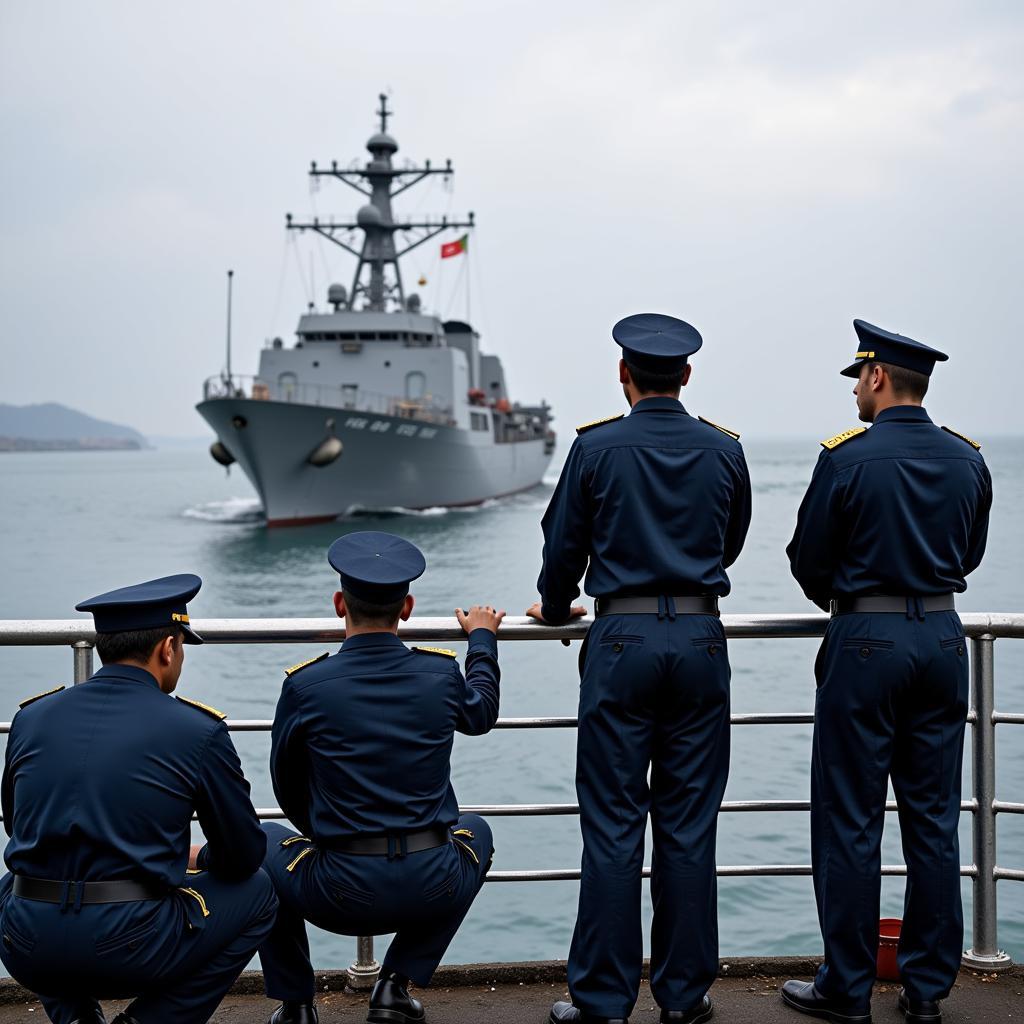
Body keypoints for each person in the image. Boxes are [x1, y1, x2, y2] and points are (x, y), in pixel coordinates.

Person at [529, 313, 752, 1024]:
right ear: (686, 375)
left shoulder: (595, 447)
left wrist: (558, 605)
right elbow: (733, 538)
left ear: (622, 375)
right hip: (699, 639)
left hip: (620, 640)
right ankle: (685, 999)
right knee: (689, 827)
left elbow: (562, 545)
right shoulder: (724, 450)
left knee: (614, 825)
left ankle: (602, 1000)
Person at [782, 320, 993, 1024]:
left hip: (864, 641)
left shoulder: (846, 459)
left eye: (857, 381)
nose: (855, 395)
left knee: (850, 822)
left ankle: (846, 990)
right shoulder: (968, 459)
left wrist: (854, 605)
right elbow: (969, 555)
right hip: (941, 637)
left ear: (877, 379)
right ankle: (927, 991)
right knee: (934, 822)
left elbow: (808, 558)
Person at [0, 574, 276, 1024]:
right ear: (167, 648)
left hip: (27, 945)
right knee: (260, 893)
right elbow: (244, 856)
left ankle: (75, 1018)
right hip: (129, 946)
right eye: (182, 647)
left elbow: (17, 826)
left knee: (17, 882)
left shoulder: (30, 718)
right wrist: (198, 858)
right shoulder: (196, 730)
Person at [257, 531, 503, 1024]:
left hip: (339, 891)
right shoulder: (440, 675)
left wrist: (323, 833)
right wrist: (482, 638)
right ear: (407, 607)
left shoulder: (305, 685)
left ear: (338, 604)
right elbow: (482, 713)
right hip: (432, 882)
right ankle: (395, 984)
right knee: (477, 831)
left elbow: (285, 782)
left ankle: (297, 1004)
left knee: (260, 841)